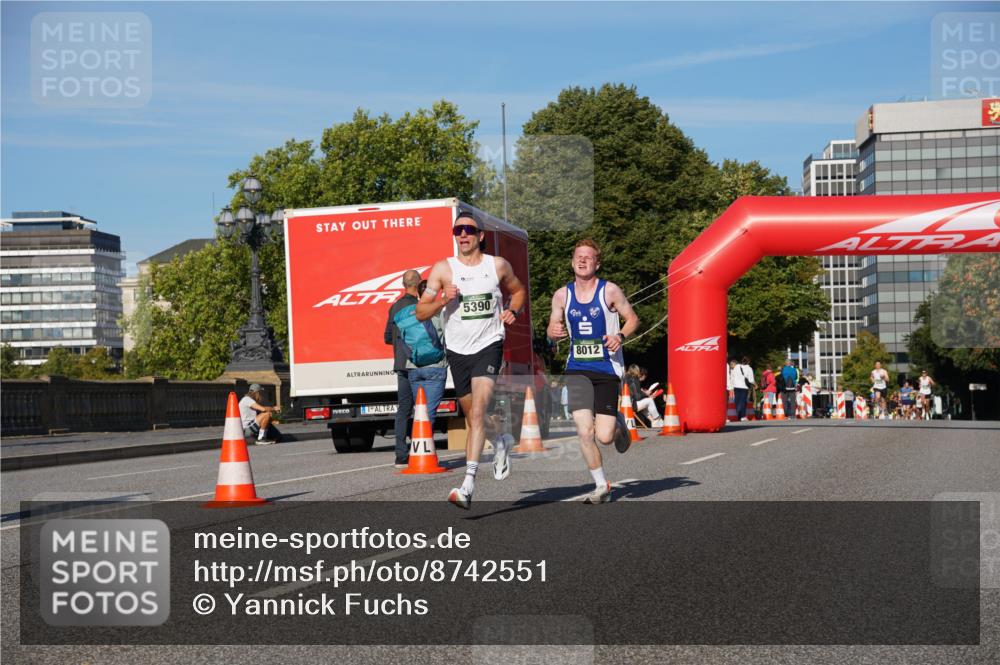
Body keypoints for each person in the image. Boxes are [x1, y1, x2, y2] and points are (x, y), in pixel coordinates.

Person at [416, 210, 527, 510]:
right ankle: (501, 440)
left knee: (478, 412)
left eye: (468, 229)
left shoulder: (497, 265)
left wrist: (513, 311)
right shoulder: (443, 269)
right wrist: (443, 300)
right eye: (458, 231)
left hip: (489, 345)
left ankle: (467, 485)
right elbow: (420, 312)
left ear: (480, 235)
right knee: (474, 417)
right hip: (457, 351)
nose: (463, 235)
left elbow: (518, 291)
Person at [547, 239, 639, 505]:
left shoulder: (609, 290)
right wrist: (553, 332)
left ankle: (618, 425)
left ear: (597, 264)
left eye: (588, 257)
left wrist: (620, 336)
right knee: (584, 432)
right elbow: (552, 329)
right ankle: (601, 485)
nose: (582, 260)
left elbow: (633, 319)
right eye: (579, 256)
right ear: (572, 262)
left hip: (606, 369)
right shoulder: (561, 295)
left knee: (604, 437)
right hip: (576, 369)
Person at [385, 269, 422, 468]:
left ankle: (400, 455)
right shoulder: (420, 306)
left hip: (401, 364)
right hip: (420, 363)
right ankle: (422, 449)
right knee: (423, 408)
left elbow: (387, 337)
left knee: (403, 409)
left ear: (403, 285)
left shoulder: (395, 307)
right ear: (419, 284)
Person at [405, 279, 448, 451]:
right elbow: (449, 336)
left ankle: (416, 445)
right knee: (429, 411)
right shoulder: (439, 313)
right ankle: (424, 450)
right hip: (435, 367)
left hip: (414, 367)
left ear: (418, 294)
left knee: (419, 410)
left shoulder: (410, 313)